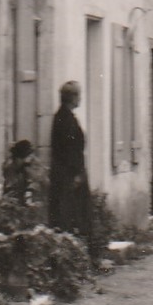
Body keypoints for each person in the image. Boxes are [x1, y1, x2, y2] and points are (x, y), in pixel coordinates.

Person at [48, 81, 92, 241]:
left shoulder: (66, 117)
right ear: (72, 97)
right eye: (78, 95)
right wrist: (76, 174)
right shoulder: (64, 119)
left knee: (77, 213)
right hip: (69, 175)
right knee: (70, 213)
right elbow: (68, 150)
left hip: (72, 172)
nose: (80, 98)